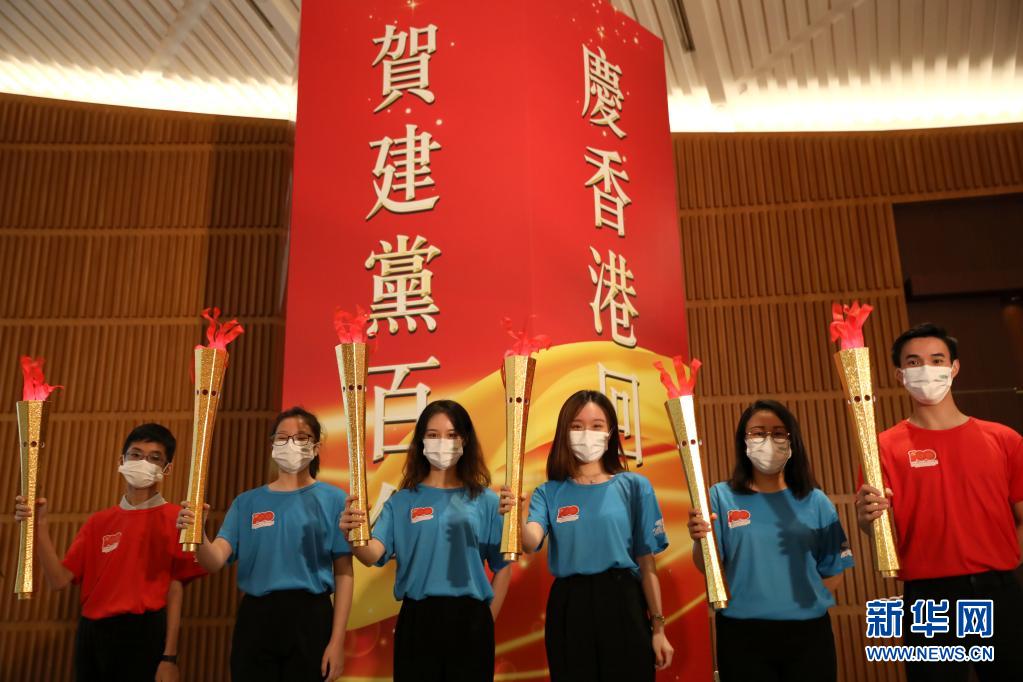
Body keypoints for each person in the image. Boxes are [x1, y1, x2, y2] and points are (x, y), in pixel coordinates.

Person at [855, 323, 1023, 682]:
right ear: (900, 374)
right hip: (928, 599)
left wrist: (1005, 562)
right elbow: (881, 531)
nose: (926, 370)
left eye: (936, 360)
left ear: (954, 367)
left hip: (999, 591)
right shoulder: (881, 448)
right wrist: (868, 522)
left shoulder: (1004, 439)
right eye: (913, 362)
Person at [500, 389, 673, 681]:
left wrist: (658, 629)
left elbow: (647, 564)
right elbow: (531, 542)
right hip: (570, 606)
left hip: (623, 601)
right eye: (577, 426)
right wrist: (514, 514)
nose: (586, 434)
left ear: (610, 433)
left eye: (596, 426)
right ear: (564, 433)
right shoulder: (549, 492)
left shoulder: (635, 487)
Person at [13, 423, 204, 682]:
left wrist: (169, 658)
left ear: (166, 469)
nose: (142, 462)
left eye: (154, 458)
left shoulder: (176, 518)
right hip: (92, 634)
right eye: (136, 454)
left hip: (143, 633)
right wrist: (39, 527)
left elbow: (175, 589)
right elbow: (58, 580)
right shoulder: (98, 522)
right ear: (121, 460)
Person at [175, 407, 353, 682]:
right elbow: (214, 561)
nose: (290, 444)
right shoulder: (247, 502)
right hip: (256, 618)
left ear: (316, 447)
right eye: (282, 438)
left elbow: (343, 572)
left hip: (311, 617)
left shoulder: (334, 499)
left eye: (301, 437)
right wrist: (198, 534)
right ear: (272, 445)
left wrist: (337, 640)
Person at [340, 400, 511, 682]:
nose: (442, 442)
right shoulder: (402, 502)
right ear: (421, 441)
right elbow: (372, 554)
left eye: (452, 434)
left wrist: (487, 619)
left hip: (471, 620)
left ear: (465, 440)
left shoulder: (486, 501)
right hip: (417, 621)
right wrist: (353, 537)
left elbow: (503, 565)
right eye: (433, 435)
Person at [688, 399, 853, 681]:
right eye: (757, 433)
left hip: (808, 634)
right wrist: (699, 538)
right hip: (741, 633)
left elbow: (834, 570)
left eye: (778, 433)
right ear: (743, 441)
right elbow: (708, 566)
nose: (768, 440)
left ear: (791, 440)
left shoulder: (816, 501)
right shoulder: (720, 497)